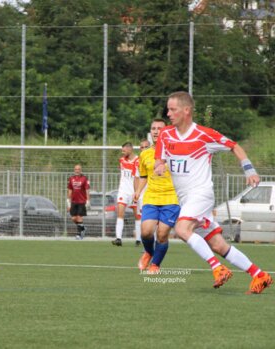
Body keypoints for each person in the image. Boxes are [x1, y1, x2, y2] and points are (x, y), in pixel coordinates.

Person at [154, 91, 272, 294]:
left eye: (173, 109)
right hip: (186, 199)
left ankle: (217, 269)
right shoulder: (165, 135)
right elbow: (159, 159)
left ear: (186, 110)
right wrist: (159, 166)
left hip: (201, 194)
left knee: (182, 230)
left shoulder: (204, 134)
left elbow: (235, 146)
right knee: (218, 245)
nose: (169, 113)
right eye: (168, 109)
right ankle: (259, 275)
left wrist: (249, 171)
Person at [134, 119, 180, 273]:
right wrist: (138, 191)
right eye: (153, 128)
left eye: (159, 128)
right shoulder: (145, 154)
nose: (155, 131)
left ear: (166, 131)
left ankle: (155, 265)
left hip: (171, 198)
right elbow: (143, 176)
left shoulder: (176, 152)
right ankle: (149, 251)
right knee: (146, 232)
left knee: (162, 234)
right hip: (151, 197)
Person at [112, 142, 142, 247]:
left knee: (137, 216)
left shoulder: (138, 161)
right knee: (120, 213)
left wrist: (137, 192)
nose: (122, 152)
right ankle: (118, 238)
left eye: (124, 150)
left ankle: (138, 239)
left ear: (130, 149)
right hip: (123, 191)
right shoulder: (121, 160)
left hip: (133, 191)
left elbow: (138, 177)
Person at [67, 164, 90, 240]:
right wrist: (68, 201)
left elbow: (87, 190)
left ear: (81, 170)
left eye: (78, 169)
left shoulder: (84, 179)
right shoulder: (71, 178)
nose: (77, 170)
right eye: (76, 169)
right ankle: (82, 228)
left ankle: (79, 234)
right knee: (73, 218)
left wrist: (88, 200)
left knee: (79, 217)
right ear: (74, 170)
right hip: (73, 201)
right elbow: (70, 190)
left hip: (81, 201)